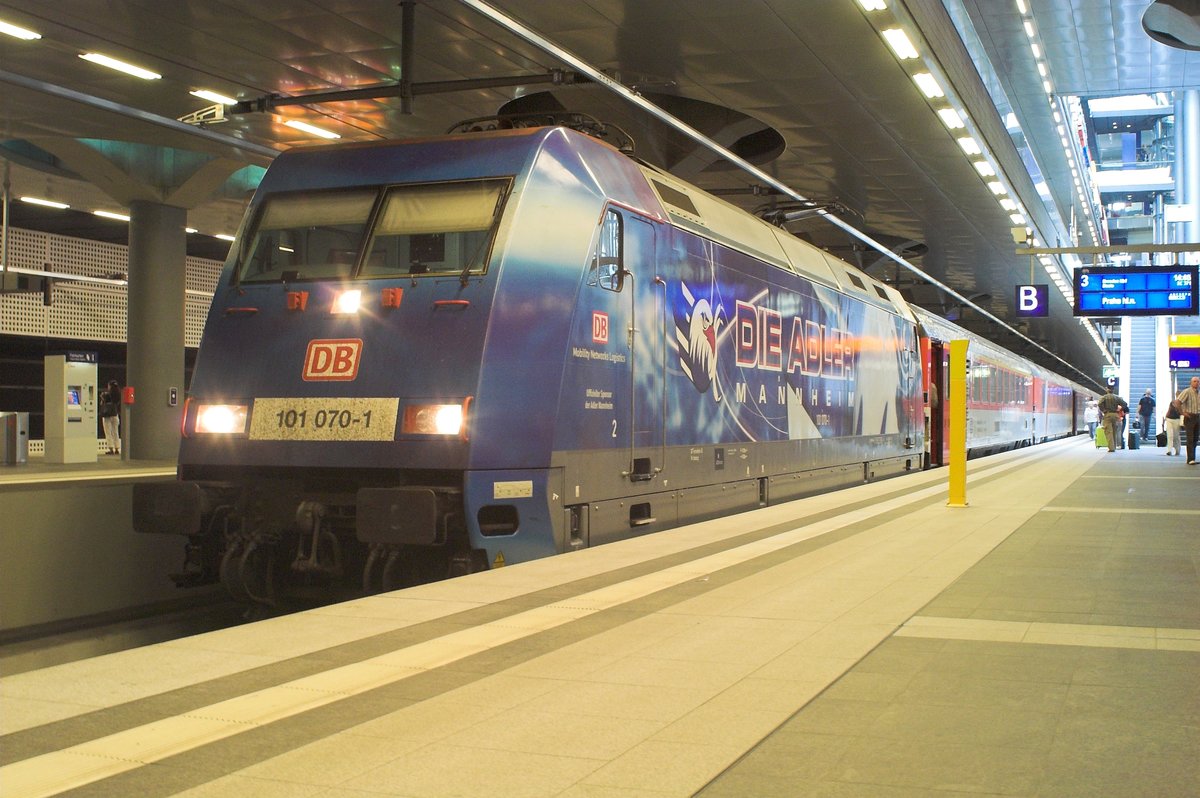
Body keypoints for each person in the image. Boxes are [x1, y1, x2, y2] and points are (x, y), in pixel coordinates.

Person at [1177, 376, 1200, 465]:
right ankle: (1190, 459)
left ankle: (1192, 457)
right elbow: (1178, 402)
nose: (1196, 383)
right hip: (1190, 417)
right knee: (1190, 438)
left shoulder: (1198, 393)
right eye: (1194, 381)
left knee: (1195, 438)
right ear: (1191, 383)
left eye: (1198, 381)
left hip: (1198, 416)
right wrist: (1182, 412)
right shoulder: (1187, 392)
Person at [1097, 386, 1125, 453]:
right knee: (1114, 431)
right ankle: (1114, 446)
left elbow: (1099, 403)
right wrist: (1119, 409)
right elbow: (1124, 404)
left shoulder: (1104, 397)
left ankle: (1111, 448)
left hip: (1108, 415)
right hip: (1116, 415)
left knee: (1109, 432)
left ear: (1107, 389)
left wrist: (1103, 410)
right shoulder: (1117, 397)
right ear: (1113, 390)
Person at [100, 379, 121, 455]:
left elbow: (102, 403)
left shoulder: (106, 395)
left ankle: (111, 448)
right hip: (115, 415)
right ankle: (117, 448)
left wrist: (102, 398)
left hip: (107, 415)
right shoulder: (118, 394)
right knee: (115, 432)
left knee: (108, 432)